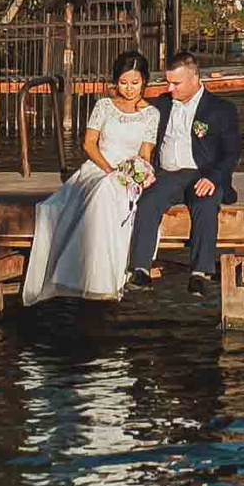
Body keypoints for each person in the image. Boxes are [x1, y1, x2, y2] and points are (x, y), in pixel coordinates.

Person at [20, 50, 159, 306]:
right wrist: (109, 171)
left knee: (115, 191)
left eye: (135, 83)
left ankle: (104, 275)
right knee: (104, 188)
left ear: (145, 81)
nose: (129, 89)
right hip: (99, 166)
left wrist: (136, 174)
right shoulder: (104, 106)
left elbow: (145, 153)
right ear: (116, 81)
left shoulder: (151, 114)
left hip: (129, 172)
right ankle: (81, 274)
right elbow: (89, 144)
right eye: (124, 82)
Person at [128, 50, 243, 296]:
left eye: (176, 83)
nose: (170, 88)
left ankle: (200, 272)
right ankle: (140, 268)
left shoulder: (221, 109)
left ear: (194, 79)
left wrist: (213, 178)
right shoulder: (161, 103)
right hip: (167, 175)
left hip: (202, 174)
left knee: (205, 203)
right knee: (148, 201)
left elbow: (231, 153)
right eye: (168, 81)